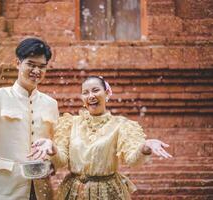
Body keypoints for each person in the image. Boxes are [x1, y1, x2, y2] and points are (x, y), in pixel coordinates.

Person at [29, 76, 172, 200]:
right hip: (73, 192)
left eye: (96, 90)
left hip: (107, 192)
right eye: (85, 92)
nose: (91, 95)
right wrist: (52, 148)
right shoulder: (70, 123)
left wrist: (145, 147)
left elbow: (132, 159)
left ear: (107, 93)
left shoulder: (121, 125)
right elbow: (60, 161)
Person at [0, 37, 59, 200]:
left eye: (42, 67)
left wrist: (52, 157)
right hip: (3, 189)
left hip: (39, 189)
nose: (36, 71)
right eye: (31, 64)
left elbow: (55, 146)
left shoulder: (50, 104)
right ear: (18, 63)